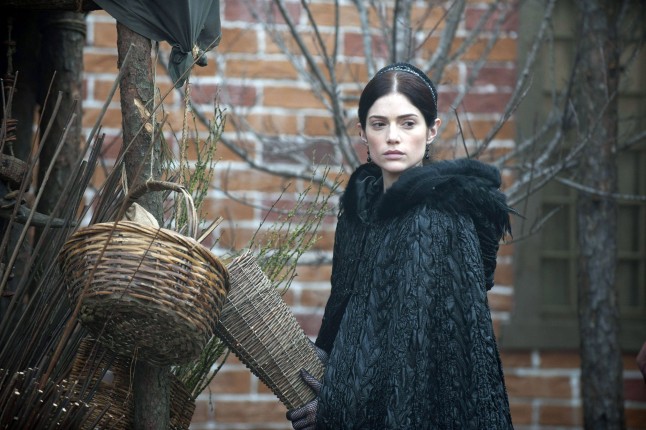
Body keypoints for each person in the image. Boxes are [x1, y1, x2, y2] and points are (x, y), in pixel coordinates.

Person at [287, 62, 515, 429]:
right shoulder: (361, 210)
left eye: (408, 123)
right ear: (363, 132)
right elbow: (356, 321)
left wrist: (337, 408)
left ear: (431, 130)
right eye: (379, 124)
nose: (393, 137)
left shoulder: (438, 220)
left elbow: (415, 357)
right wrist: (333, 368)